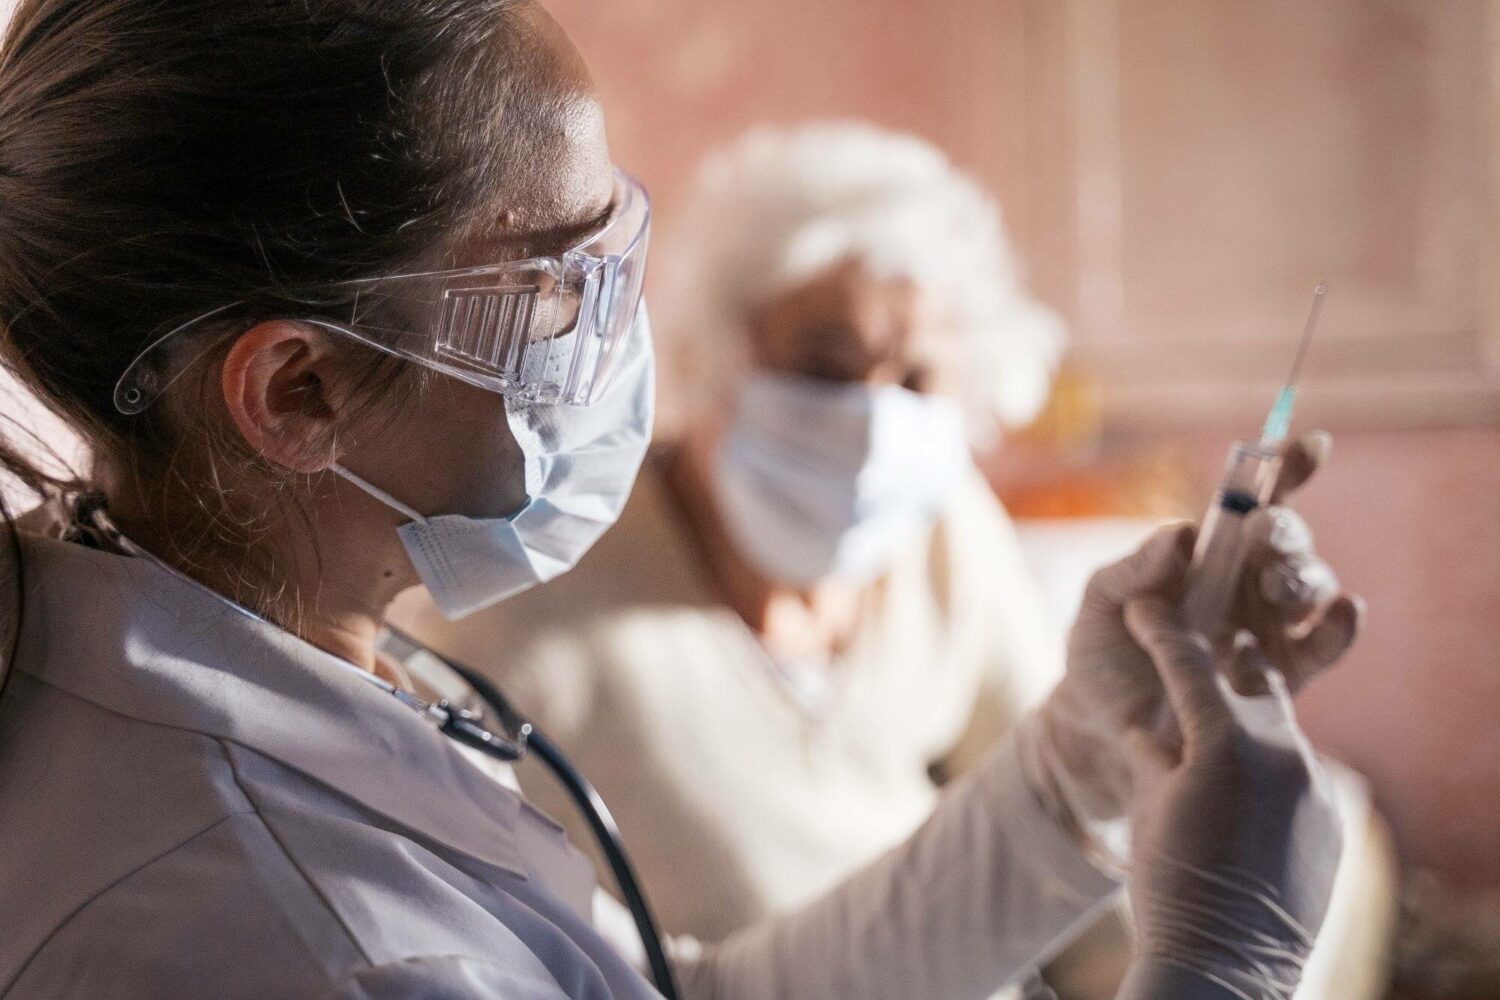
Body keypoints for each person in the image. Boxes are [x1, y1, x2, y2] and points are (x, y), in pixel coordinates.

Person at [0, 2, 1360, 998]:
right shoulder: (306, 944)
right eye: (559, 286)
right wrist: (1221, 962)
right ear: (299, 392)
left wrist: (1078, 765)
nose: (620, 338)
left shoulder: (227, 630)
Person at [392, 122, 1392, 999]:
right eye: (826, 364)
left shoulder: (943, 531)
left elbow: (1072, 800)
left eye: (916, 379)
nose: (873, 421)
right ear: (713, 354)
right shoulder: (525, 610)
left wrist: (1143, 780)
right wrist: (1217, 967)